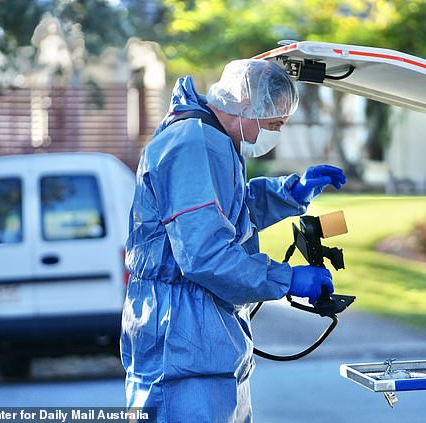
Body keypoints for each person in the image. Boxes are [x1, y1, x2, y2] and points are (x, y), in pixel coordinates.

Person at [121, 59, 346, 422]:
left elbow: (230, 211)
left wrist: (293, 192)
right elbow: (205, 256)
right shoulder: (192, 143)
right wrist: (287, 278)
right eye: (274, 123)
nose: (275, 133)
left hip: (205, 343)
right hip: (181, 344)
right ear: (245, 104)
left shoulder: (213, 139)